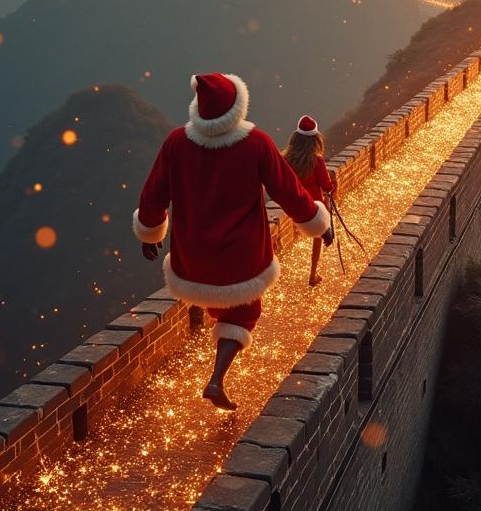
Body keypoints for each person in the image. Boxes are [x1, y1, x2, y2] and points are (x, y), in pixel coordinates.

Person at [133, 73, 333, 410]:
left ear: (199, 108)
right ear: (237, 107)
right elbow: (288, 192)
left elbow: (153, 194)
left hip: (192, 255)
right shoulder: (256, 144)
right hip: (240, 257)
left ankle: (216, 374)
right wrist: (318, 224)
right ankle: (216, 378)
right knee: (243, 313)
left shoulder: (176, 143)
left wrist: (150, 231)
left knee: (219, 303)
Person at [281, 115, 337, 286]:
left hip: (293, 206)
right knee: (319, 234)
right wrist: (334, 181)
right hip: (314, 210)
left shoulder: (285, 159)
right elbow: (327, 187)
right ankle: (312, 274)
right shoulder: (316, 160)